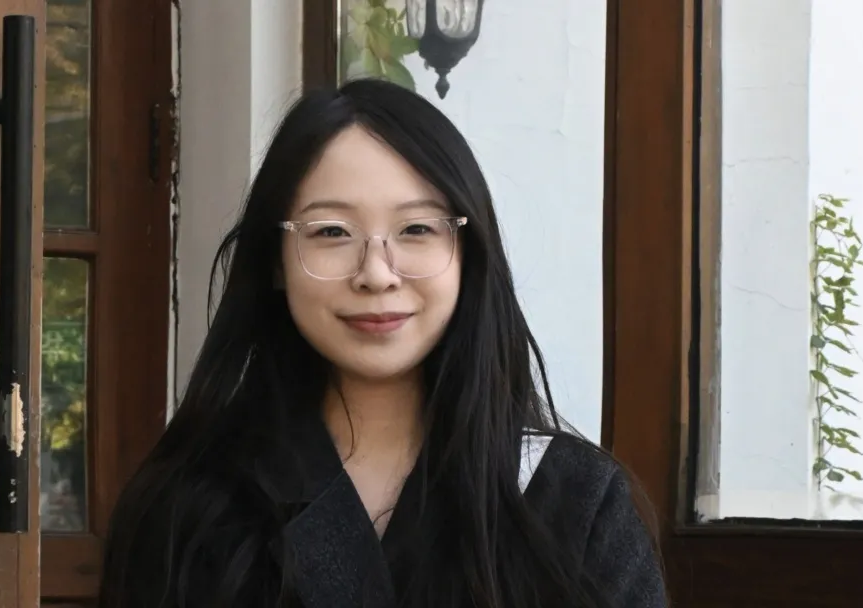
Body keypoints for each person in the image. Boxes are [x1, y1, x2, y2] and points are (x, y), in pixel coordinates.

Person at [99, 78, 667, 608]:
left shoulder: (575, 502)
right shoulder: (189, 503)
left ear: (467, 255)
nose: (376, 273)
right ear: (276, 261)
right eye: (331, 232)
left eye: (416, 229)